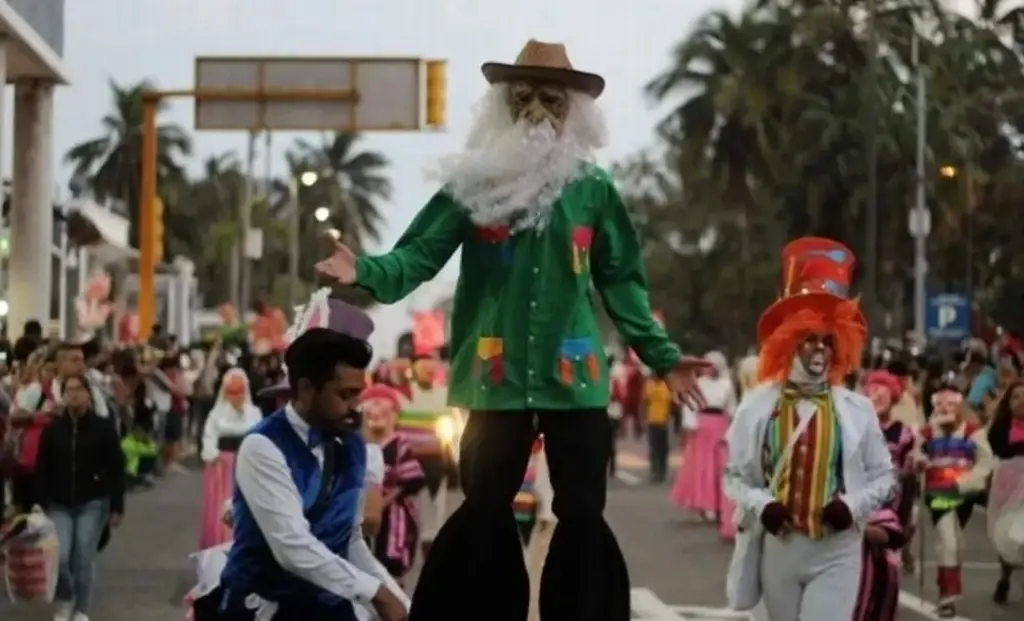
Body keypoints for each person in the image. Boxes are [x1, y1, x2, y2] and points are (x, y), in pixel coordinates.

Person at [315, 39, 710, 621]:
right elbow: (419, 255)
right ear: (503, 105)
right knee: (485, 505)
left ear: (572, 109)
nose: (536, 111)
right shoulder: (473, 186)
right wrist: (365, 271)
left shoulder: (593, 190)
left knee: (580, 511)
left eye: (550, 98)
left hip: (573, 376)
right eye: (522, 97)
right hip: (493, 376)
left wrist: (661, 356)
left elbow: (622, 282)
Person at [723, 237, 895, 620]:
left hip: (838, 550)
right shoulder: (757, 405)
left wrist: (851, 506)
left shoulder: (857, 409)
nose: (819, 351)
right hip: (779, 549)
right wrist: (762, 504)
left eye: (827, 342)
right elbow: (733, 477)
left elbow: (885, 477)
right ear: (788, 343)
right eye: (809, 341)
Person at [214, 289, 409, 621]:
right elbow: (292, 547)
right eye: (344, 394)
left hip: (325, 605)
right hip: (261, 607)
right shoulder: (263, 446)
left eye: (358, 394)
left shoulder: (352, 444)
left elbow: (348, 541)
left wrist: (396, 599)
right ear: (306, 389)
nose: (355, 407)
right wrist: (373, 592)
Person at [33, 373, 125, 621]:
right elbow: (42, 466)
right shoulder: (52, 430)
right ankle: (66, 599)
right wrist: (39, 501)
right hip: (59, 502)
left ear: (88, 395)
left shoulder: (103, 428)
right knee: (60, 556)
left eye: (78, 389)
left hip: (93, 502)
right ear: (62, 396)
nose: (73, 394)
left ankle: (82, 609)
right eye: (68, 390)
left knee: (83, 555)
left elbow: (116, 467)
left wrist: (117, 505)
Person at [912, 373, 994, 618]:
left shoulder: (972, 431)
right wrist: (920, 461)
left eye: (951, 404)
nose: (945, 409)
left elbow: (985, 462)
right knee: (948, 539)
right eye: (940, 404)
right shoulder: (928, 432)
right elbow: (915, 452)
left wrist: (963, 483)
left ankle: (947, 586)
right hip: (938, 494)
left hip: (964, 495)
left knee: (956, 540)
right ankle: (947, 597)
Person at [360, 383, 426, 584]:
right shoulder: (357, 444)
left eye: (384, 411)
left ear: (395, 416)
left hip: (393, 516)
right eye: (370, 411)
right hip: (360, 512)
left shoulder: (400, 443)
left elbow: (410, 480)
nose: (377, 415)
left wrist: (382, 503)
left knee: (388, 563)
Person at [199, 367, 262, 549]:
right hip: (221, 467)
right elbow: (208, 437)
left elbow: (260, 437)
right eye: (231, 392)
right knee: (221, 508)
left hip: (246, 465)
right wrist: (213, 454)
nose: (235, 397)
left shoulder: (254, 413)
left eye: (239, 392)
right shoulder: (216, 414)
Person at [863, 369, 918, 571]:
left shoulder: (903, 433)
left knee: (885, 556)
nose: (876, 398)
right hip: (862, 496)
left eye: (882, 394)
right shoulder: (857, 428)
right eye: (872, 392)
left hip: (890, 499)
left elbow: (908, 473)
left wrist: (912, 466)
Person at [671, 351, 737, 516]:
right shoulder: (698, 383)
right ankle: (704, 503)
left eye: (713, 366)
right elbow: (690, 405)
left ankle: (720, 503)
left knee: (720, 467)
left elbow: (732, 409)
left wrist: (731, 430)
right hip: (702, 427)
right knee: (702, 466)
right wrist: (690, 426)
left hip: (720, 426)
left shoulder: (727, 384)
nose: (710, 370)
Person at [985, 379, 1024, 604]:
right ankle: (1005, 577)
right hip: (1007, 488)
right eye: (1016, 397)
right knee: (1006, 534)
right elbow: (999, 450)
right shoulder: (1001, 427)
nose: (1021, 402)